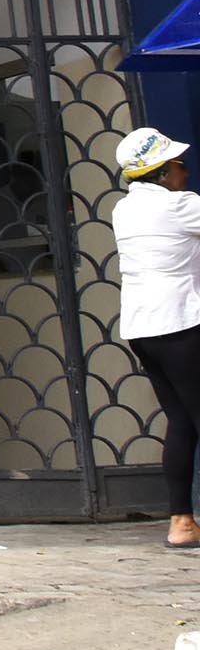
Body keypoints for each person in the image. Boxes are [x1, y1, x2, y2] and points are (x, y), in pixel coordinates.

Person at [111, 125, 200, 549]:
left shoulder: (124, 210)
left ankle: (182, 523)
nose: (186, 172)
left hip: (143, 327)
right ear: (162, 173)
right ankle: (181, 523)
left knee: (182, 420)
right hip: (181, 323)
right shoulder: (180, 206)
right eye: (179, 166)